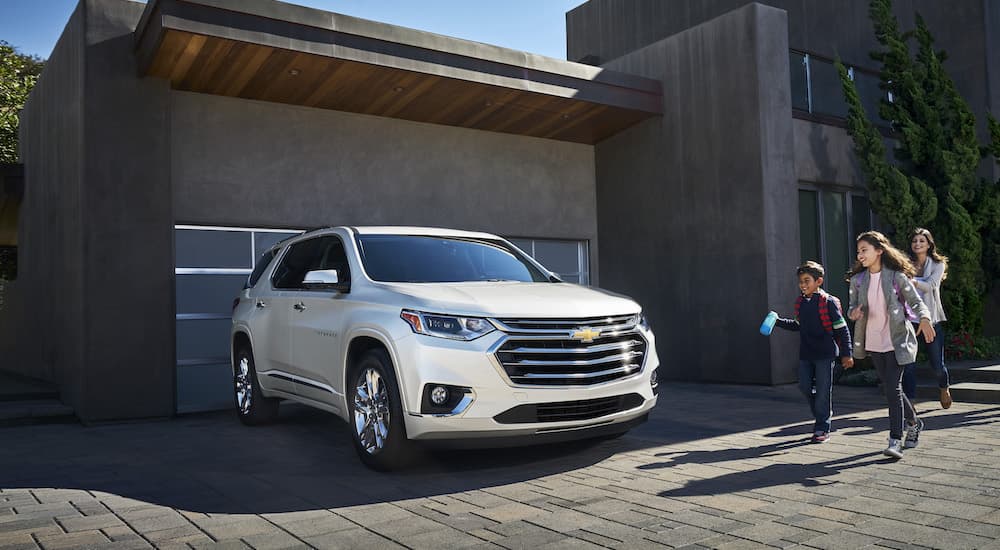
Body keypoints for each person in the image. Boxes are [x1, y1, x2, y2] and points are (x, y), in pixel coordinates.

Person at [847, 231, 935, 459]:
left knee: (892, 389)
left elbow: (916, 302)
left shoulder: (896, 276)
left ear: (879, 251)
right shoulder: (858, 281)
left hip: (897, 341)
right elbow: (851, 308)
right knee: (890, 388)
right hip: (874, 342)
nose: (860, 255)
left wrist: (924, 319)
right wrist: (854, 313)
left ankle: (895, 439)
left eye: (864, 250)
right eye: (858, 251)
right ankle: (914, 422)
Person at [771, 261, 854, 443]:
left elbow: (842, 329)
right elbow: (798, 326)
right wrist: (777, 321)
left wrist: (847, 353)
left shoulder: (828, 303)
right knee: (804, 386)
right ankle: (822, 411)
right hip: (806, 354)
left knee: (824, 391)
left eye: (807, 280)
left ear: (819, 281)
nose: (803, 285)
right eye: (800, 281)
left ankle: (821, 428)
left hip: (826, 354)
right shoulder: (800, 303)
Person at [901, 227, 952, 409]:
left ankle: (944, 387)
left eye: (922, 241)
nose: (917, 244)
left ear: (929, 244)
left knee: (937, 364)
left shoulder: (938, 264)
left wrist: (911, 281)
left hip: (931, 320)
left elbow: (930, 285)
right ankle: (910, 402)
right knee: (908, 364)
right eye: (915, 241)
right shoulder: (905, 264)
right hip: (909, 320)